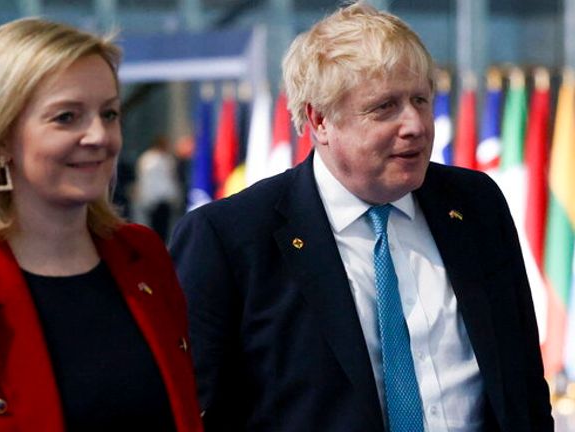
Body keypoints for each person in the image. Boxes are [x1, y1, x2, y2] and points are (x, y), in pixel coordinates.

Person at [169, 3, 552, 431]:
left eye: (421, 100)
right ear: (319, 120)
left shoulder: (475, 203)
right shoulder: (230, 238)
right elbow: (192, 411)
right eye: (385, 107)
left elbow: (522, 386)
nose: (416, 126)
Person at [0, 18, 202, 432]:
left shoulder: (143, 256)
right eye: (67, 117)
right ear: (1, 139)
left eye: (109, 113)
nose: (99, 136)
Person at [133, 135, 182, 242]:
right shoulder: (148, 159)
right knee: (153, 226)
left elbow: (171, 179)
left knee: (164, 228)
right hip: (152, 198)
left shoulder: (167, 159)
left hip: (164, 199)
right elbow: (145, 180)